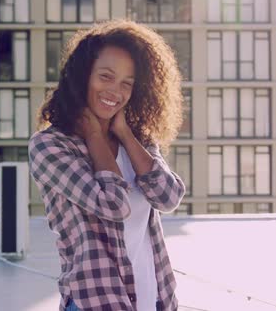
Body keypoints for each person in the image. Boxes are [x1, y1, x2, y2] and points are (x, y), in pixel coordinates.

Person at [28, 19, 186, 311]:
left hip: (154, 299)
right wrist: (94, 135)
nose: (116, 90)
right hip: (97, 301)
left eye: (127, 83)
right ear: (83, 76)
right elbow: (113, 205)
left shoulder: (136, 139)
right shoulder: (50, 146)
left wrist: (124, 134)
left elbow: (169, 197)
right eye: (106, 77)